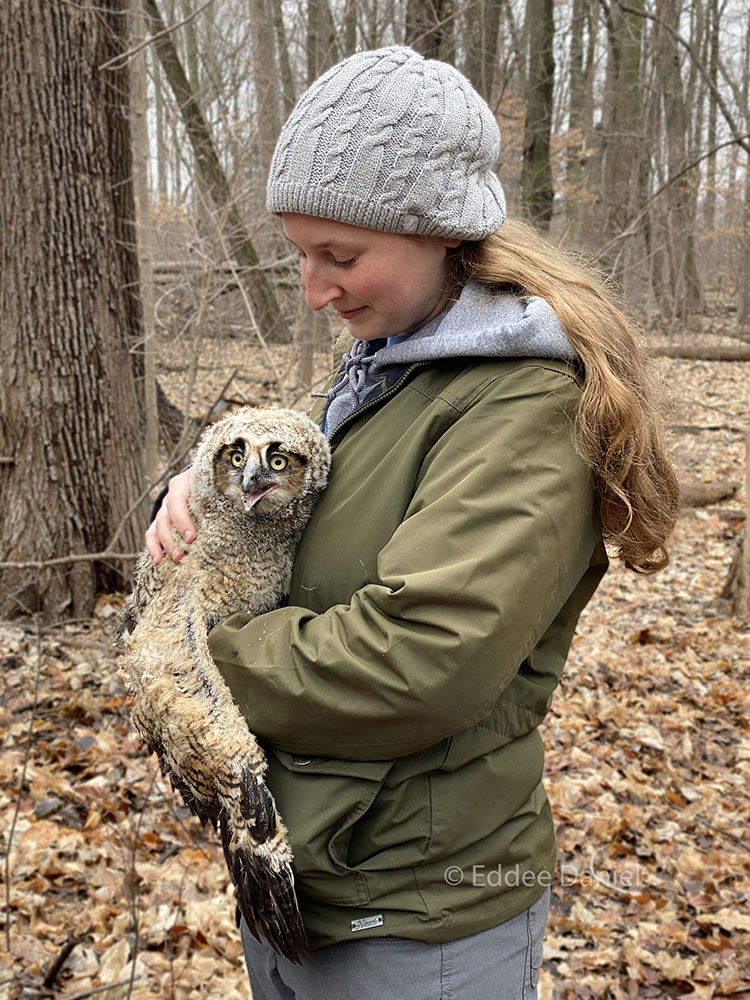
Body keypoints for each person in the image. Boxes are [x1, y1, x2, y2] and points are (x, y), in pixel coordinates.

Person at [147, 46, 679, 1000]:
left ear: (439, 231)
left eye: (339, 258)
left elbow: (420, 660)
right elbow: (327, 517)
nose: (314, 291)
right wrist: (203, 501)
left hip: (421, 914)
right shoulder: (389, 363)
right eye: (300, 255)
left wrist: (189, 655)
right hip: (305, 880)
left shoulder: (521, 403)